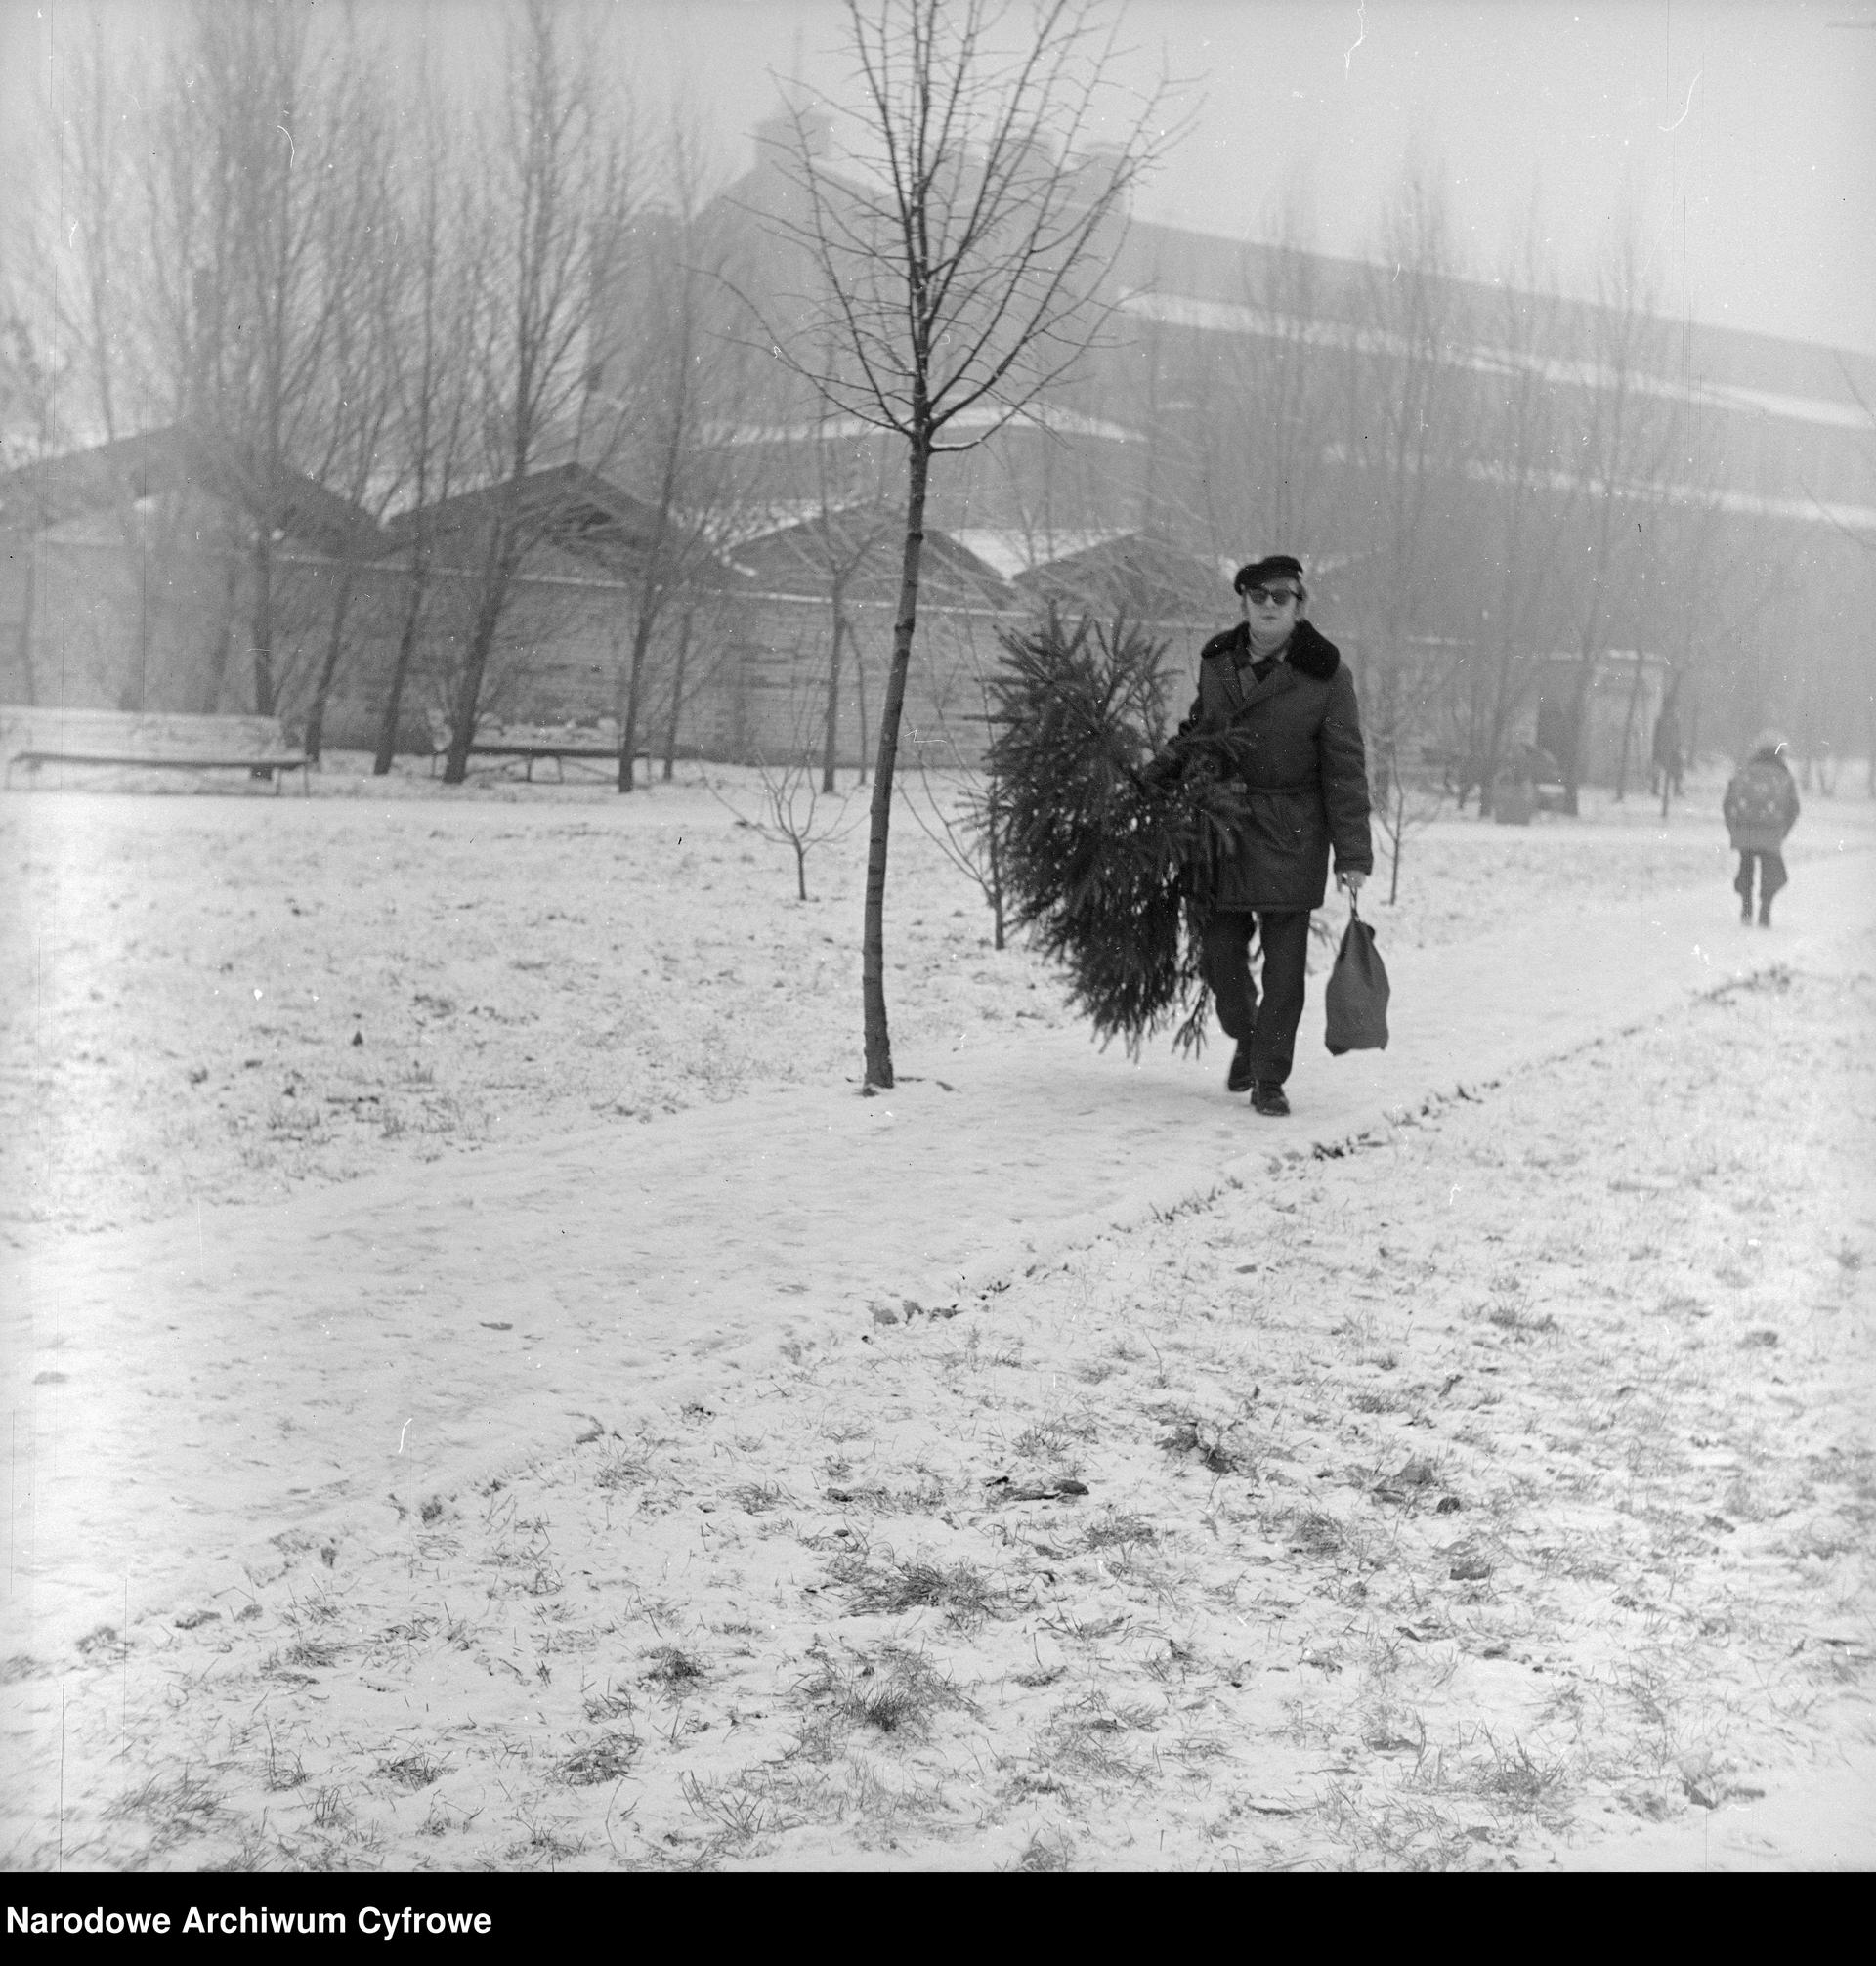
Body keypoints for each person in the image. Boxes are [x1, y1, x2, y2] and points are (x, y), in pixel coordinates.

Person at [1178, 555, 1374, 1116]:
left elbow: (1344, 767)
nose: (1269, 606)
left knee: (1285, 968)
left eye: (1281, 598)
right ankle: (1246, 1030)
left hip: (1292, 831)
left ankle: (1269, 1077)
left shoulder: (1327, 675)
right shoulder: (1216, 661)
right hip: (1222, 827)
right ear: (1242, 602)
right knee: (1219, 957)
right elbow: (1201, 730)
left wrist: (1352, 852)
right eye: (1258, 596)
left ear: (1298, 606)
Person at [1724, 730, 1800, 926]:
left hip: (1746, 829)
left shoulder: (1746, 770)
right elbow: (1794, 807)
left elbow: (1728, 800)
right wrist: (1783, 831)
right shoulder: (1783, 774)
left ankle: (1746, 908)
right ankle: (1765, 910)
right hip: (1772, 830)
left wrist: (1734, 828)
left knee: (1746, 866)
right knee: (1771, 871)